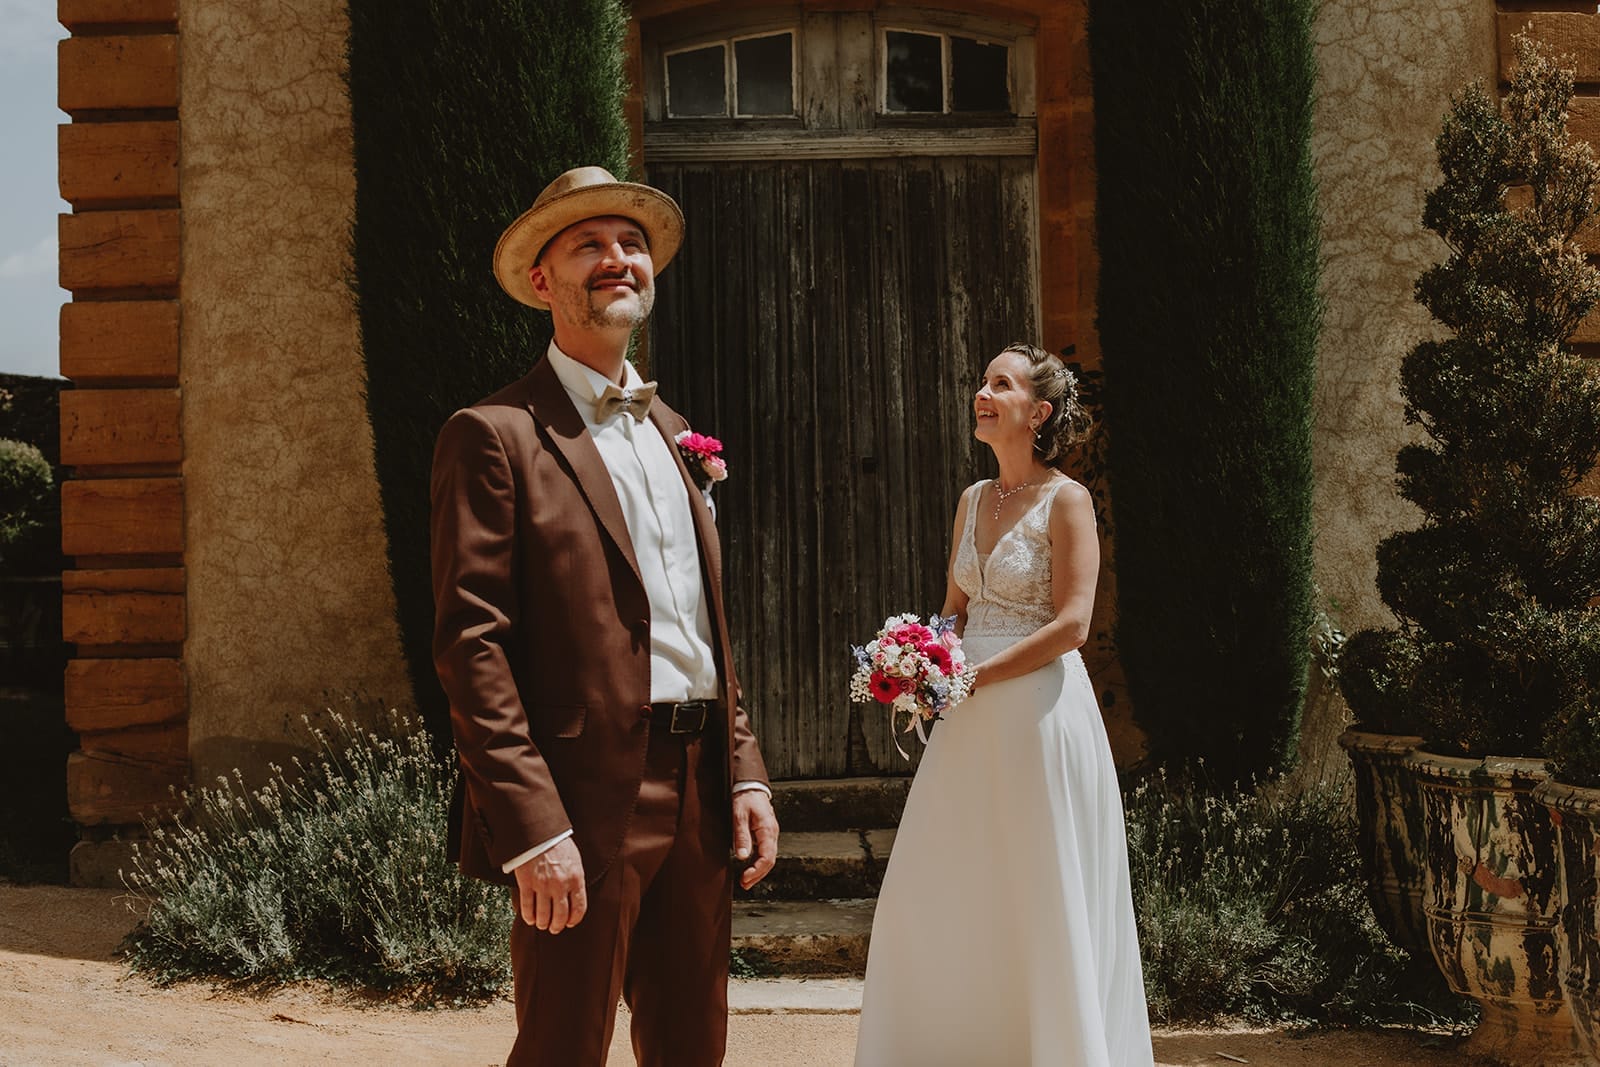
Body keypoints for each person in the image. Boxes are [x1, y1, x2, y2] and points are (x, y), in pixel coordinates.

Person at [430, 166, 779, 1067]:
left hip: (701, 787)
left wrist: (744, 771)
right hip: (578, 799)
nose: (617, 258)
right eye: (588, 243)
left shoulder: (676, 431)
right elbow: (473, 644)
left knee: (694, 1047)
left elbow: (701, 626)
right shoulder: (494, 432)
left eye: (630, 243)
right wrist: (532, 823)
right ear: (542, 282)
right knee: (561, 1047)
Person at [854, 342, 1154, 1066]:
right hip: (965, 716)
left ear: (1038, 411)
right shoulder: (971, 500)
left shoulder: (1067, 500)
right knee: (945, 879)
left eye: (1001, 383)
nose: (981, 393)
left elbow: (1073, 624)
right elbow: (956, 608)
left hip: (1039, 716)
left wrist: (977, 677)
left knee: (1037, 882)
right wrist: (920, 656)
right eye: (981, 382)